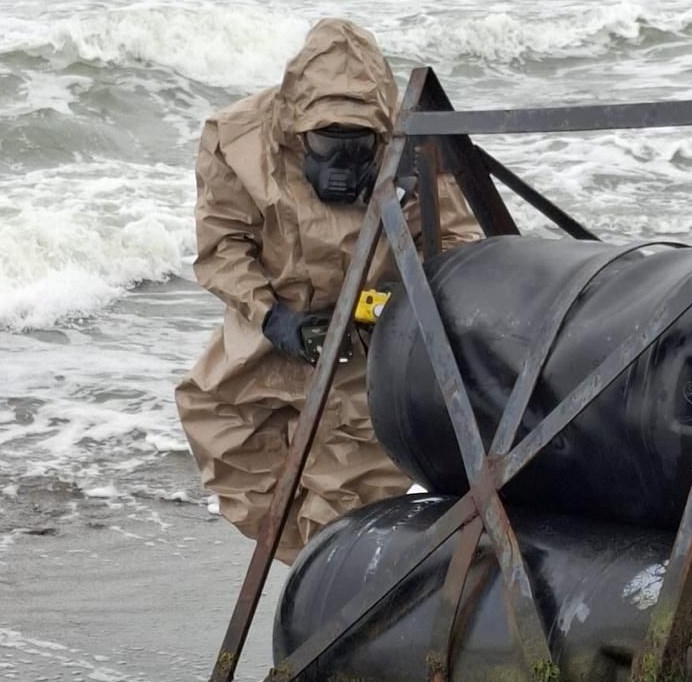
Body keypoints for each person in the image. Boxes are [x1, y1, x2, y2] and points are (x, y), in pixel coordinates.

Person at [175, 19, 483, 565]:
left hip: (370, 342)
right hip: (274, 329)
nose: (339, 163)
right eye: (325, 145)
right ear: (296, 130)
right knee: (229, 443)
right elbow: (221, 246)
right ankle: (313, 572)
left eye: (354, 147)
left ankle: (328, 589)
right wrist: (273, 319)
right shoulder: (240, 139)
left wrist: (399, 202)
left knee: (345, 489)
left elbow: (459, 249)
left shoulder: (415, 146)